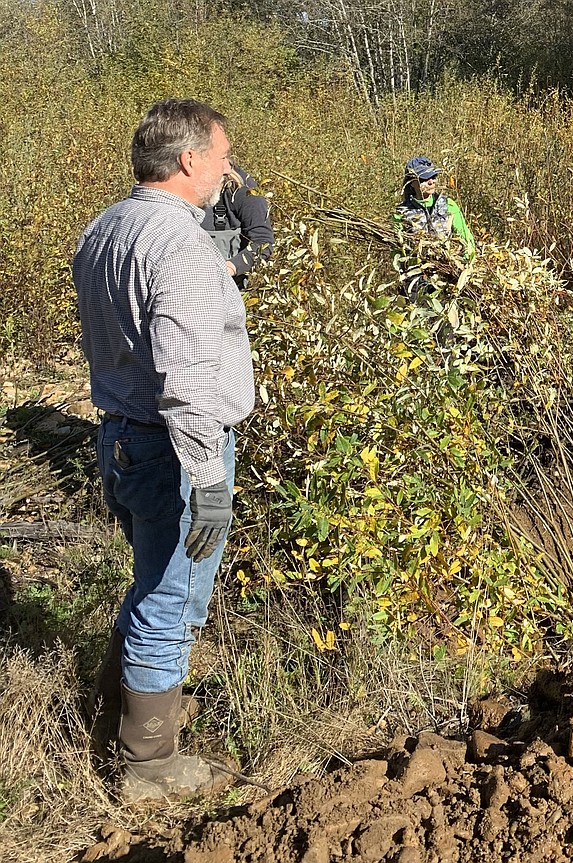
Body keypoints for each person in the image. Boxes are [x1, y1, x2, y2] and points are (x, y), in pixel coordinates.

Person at [74, 98, 254, 804]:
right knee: (174, 600)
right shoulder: (177, 243)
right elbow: (185, 380)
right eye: (221, 156)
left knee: (152, 582)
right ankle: (149, 766)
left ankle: (110, 722)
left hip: (120, 435)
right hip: (171, 447)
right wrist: (208, 473)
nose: (227, 170)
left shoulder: (107, 226)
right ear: (188, 160)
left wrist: (224, 269)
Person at [200, 161, 273, 287]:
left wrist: (229, 268)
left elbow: (264, 242)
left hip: (227, 291)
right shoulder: (169, 184)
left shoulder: (240, 188)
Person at [395, 155, 476, 257]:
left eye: (433, 177)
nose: (431, 182)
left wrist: (466, 263)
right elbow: (396, 249)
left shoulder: (448, 205)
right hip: (415, 271)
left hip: (447, 269)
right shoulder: (402, 212)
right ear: (411, 182)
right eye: (424, 178)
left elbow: (466, 238)